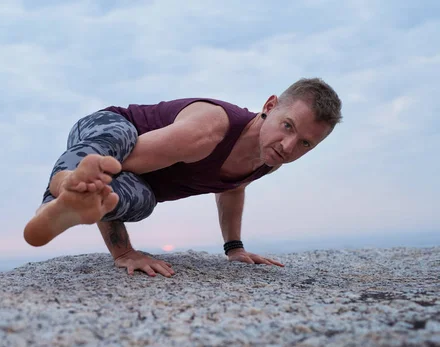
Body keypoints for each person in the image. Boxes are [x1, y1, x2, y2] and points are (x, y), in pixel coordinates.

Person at [23, 78, 342, 278]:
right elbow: (113, 166)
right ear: (270, 106)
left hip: (134, 178)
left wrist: (234, 248)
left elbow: (233, 187)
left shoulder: (270, 159)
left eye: (305, 143)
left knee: (142, 202)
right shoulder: (208, 130)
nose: (289, 147)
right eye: (288, 126)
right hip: (109, 133)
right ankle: (63, 191)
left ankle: (70, 204)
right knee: (113, 143)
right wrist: (123, 252)